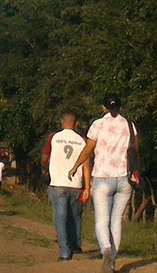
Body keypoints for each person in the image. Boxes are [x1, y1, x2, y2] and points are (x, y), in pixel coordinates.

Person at [68, 95, 136, 273]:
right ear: (120, 107)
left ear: (103, 107)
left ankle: (105, 249)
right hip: (125, 179)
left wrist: (75, 167)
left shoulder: (97, 125)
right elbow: (136, 152)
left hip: (102, 178)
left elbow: (88, 150)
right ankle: (112, 261)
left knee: (101, 220)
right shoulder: (130, 125)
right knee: (116, 221)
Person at [42, 112, 91, 261]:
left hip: (58, 183)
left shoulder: (54, 137)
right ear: (76, 124)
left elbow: (45, 157)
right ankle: (75, 244)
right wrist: (87, 187)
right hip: (75, 184)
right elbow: (86, 166)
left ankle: (64, 251)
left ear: (61, 122)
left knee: (60, 216)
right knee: (75, 215)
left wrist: (45, 168)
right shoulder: (82, 141)